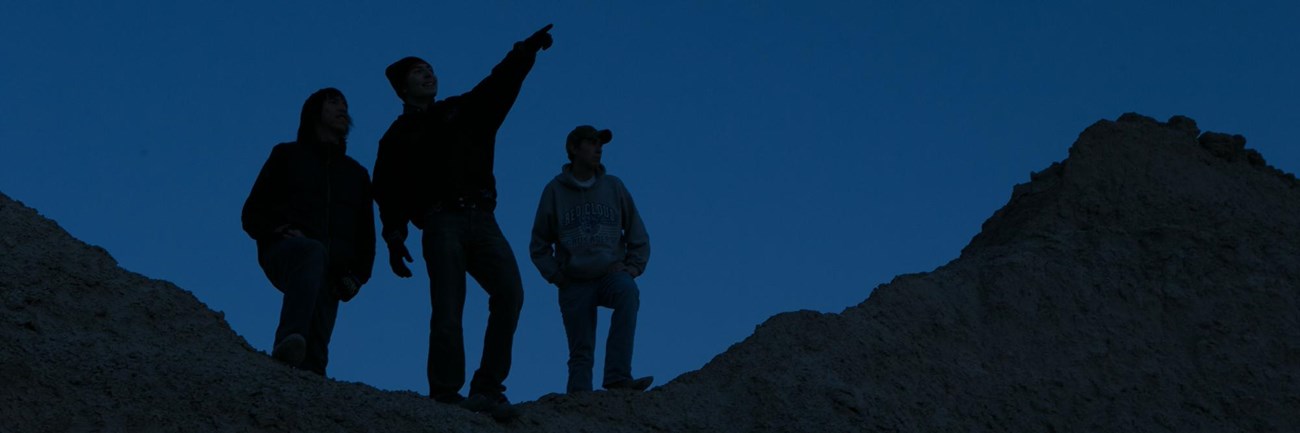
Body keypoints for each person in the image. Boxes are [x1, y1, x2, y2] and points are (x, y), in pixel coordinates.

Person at [371, 24, 553, 419]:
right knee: (449, 309)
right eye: (418, 71)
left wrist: (523, 52)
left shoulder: (462, 110)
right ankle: (446, 395)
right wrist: (393, 233)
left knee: (510, 293)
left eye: (430, 68)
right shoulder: (397, 136)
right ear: (403, 88)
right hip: (440, 223)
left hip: (483, 218)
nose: (428, 74)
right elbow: (387, 189)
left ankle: (488, 386)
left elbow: (497, 86)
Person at [241, 88, 376, 376]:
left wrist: (357, 277)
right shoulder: (286, 155)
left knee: (315, 360)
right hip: (287, 250)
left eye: (345, 103)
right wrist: (278, 230)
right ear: (314, 112)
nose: (342, 107)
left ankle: (303, 393)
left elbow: (366, 237)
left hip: (334, 273)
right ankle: (290, 338)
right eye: (333, 101)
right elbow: (252, 212)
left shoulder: (357, 175)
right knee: (312, 252)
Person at [529, 125, 653, 394]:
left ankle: (618, 378)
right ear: (574, 148)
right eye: (591, 143)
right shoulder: (554, 191)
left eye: (601, 144)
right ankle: (578, 404)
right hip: (574, 281)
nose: (598, 149)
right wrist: (558, 276)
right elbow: (538, 244)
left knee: (627, 293)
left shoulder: (614, 186)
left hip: (610, 274)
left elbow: (638, 234)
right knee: (580, 351)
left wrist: (632, 267)